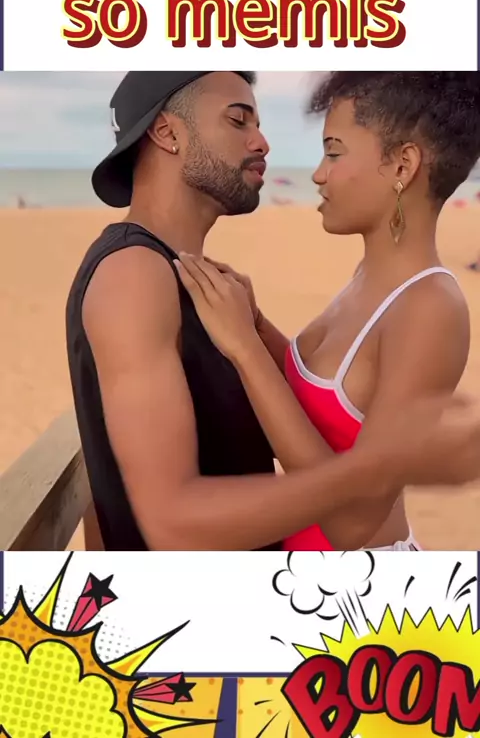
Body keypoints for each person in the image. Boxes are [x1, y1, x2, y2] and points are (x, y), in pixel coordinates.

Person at [66, 70, 480, 552]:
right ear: (167, 132)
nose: (263, 143)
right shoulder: (135, 274)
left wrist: (251, 338)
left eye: (333, 152)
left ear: (404, 166)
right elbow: (167, 519)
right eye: (238, 120)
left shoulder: (419, 300)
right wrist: (252, 338)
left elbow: (350, 497)